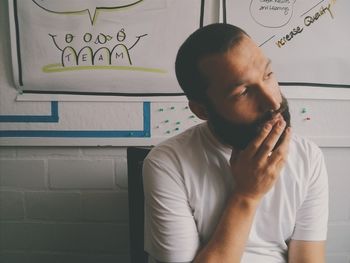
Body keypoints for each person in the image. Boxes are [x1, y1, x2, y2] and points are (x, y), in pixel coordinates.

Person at [142, 23, 328, 263]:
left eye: (268, 75)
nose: (272, 101)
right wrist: (247, 195)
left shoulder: (308, 157)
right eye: (243, 92)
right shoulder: (167, 164)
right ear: (202, 110)